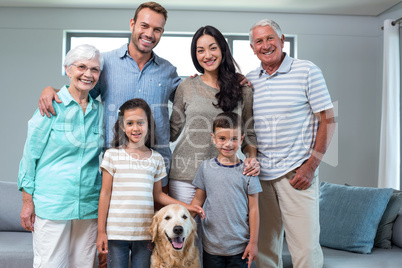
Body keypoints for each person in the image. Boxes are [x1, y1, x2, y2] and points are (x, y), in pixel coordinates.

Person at [38, 1, 180, 190]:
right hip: (116, 167)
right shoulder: (106, 64)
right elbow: (79, 93)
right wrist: (51, 90)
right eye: (144, 26)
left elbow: (190, 99)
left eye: (157, 29)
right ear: (132, 24)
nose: (149, 34)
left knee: (156, 219)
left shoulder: (168, 70)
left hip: (157, 168)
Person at [246, 19, 336, 268]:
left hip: (297, 173)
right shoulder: (251, 80)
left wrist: (311, 166)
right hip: (261, 177)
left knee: (305, 250)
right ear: (252, 48)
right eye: (259, 41)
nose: (265, 45)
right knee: (265, 249)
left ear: (282, 40)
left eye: (270, 38)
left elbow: (328, 121)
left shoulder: (307, 70)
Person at [18, 44, 105, 267]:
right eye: (81, 67)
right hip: (52, 203)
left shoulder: (101, 111)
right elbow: (30, 155)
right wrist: (27, 201)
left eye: (94, 69)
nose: (88, 74)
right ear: (68, 69)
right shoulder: (50, 106)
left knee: (84, 265)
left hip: (88, 206)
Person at [96, 98, 205, 268]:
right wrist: (101, 231)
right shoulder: (112, 155)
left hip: (145, 234)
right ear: (123, 126)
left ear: (148, 125)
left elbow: (159, 195)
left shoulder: (156, 159)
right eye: (130, 123)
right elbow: (105, 193)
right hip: (116, 233)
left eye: (141, 122)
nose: (136, 128)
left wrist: (187, 207)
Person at [169, 25, 259, 206]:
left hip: (225, 174)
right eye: (200, 50)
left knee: (219, 233)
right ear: (195, 55)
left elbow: (248, 133)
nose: (207, 55)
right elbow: (172, 131)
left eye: (213, 48)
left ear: (223, 49)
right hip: (185, 175)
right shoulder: (187, 85)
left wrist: (252, 157)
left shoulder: (243, 89)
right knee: (187, 233)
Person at [191, 112, 262, 268]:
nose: (228, 144)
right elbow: (197, 202)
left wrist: (254, 242)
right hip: (211, 248)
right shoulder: (205, 168)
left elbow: (254, 208)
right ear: (213, 138)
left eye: (234, 139)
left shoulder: (248, 171)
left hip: (240, 248)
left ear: (242, 139)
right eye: (222, 138)